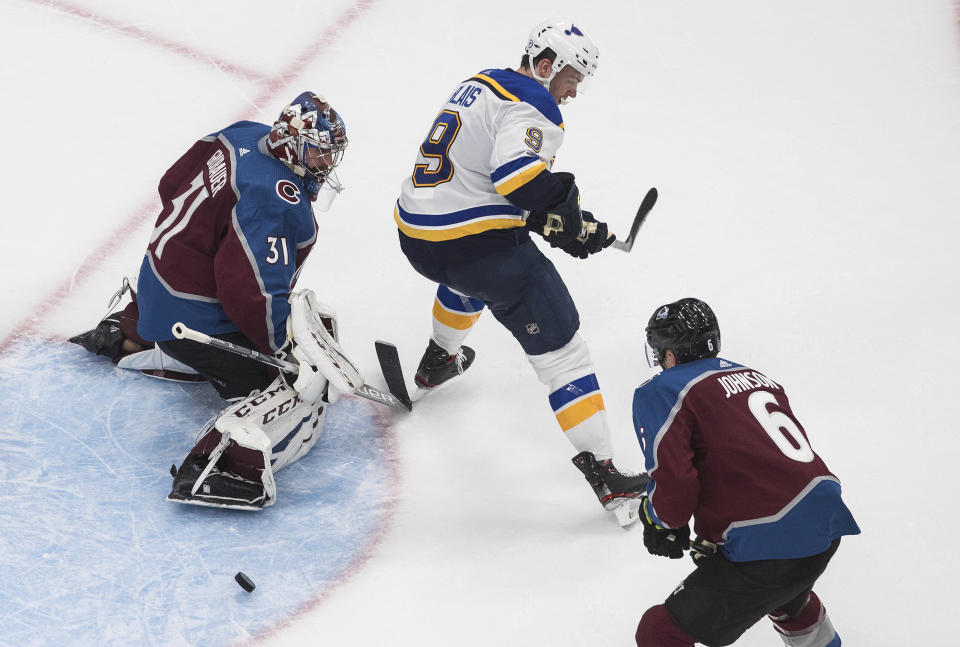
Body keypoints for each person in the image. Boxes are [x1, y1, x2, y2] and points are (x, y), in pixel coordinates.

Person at [392, 19, 647, 525]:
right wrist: (566, 208)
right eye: (572, 77)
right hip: (471, 246)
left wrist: (565, 223)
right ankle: (606, 476)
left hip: (416, 234)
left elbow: (484, 184)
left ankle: (438, 359)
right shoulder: (536, 102)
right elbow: (517, 177)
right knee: (565, 352)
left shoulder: (480, 82)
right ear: (545, 64)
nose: (573, 92)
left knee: (472, 279)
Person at [70, 92, 351, 509]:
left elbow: (170, 183)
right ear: (294, 145)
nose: (326, 166)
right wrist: (284, 350)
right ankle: (224, 468)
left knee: (240, 297)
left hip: (157, 283)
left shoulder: (242, 134)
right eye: (320, 155)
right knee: (295, 385)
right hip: (188, 318)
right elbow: (251, 291)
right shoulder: (273, 198)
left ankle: (130, 332)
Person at [631, 298, 860, 647]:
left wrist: (657, 518)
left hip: (770, 537)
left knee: (660, 630)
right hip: (826, 524)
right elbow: (756, 464)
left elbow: (674, 495)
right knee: (786, 596)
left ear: (670, 354)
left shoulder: (664, 389)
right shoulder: (758, 377)